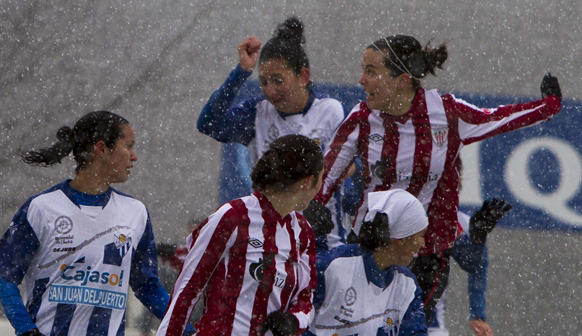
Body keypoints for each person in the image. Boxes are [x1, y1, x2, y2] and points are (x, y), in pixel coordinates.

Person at [308, 34, 562, 319]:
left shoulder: (445, 112)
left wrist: (549, 107)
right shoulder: (362, 118)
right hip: (370, 245)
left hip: (426, 252)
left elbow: (496, 118)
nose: (361, 80)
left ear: (402, 80)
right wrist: (314, 205)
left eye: (371, 71)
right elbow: (325, 174)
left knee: (404, 324)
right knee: (356, 321)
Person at [0, 111, 193, 336]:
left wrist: (189, 331)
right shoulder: (42, 208)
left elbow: (147, 287)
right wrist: (26, 330)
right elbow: (5, 276)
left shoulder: (136, 213)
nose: (134, 156)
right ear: (101, 149)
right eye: (128, 146)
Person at [196, 17, 347, 248]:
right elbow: (208, 124)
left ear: (303, 77)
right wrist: (241, 72)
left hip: (324, 241)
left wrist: (316, 202)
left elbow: (348, 166)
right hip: (269, 241)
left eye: (278, 81)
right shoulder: (257, 112)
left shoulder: (331, 110)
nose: (270, 90)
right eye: (264, 82)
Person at [156, 134, 321, 336]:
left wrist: (293, 321)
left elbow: (306, 300)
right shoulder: (232, 216)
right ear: (308, 182)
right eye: (321, 179)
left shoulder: (303, 232)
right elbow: (187, 289)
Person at [306, 189, 428, 335]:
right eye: (421, 235)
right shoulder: (331, 267)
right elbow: (293, 319)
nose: (423, 244)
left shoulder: (408, 285)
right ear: (400, 238)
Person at [428, 199, 512, 336]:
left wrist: (477, 241)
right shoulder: (396, 206)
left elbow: (474, 265)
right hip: (388, 311)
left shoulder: (454, 220)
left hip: (430, 323)